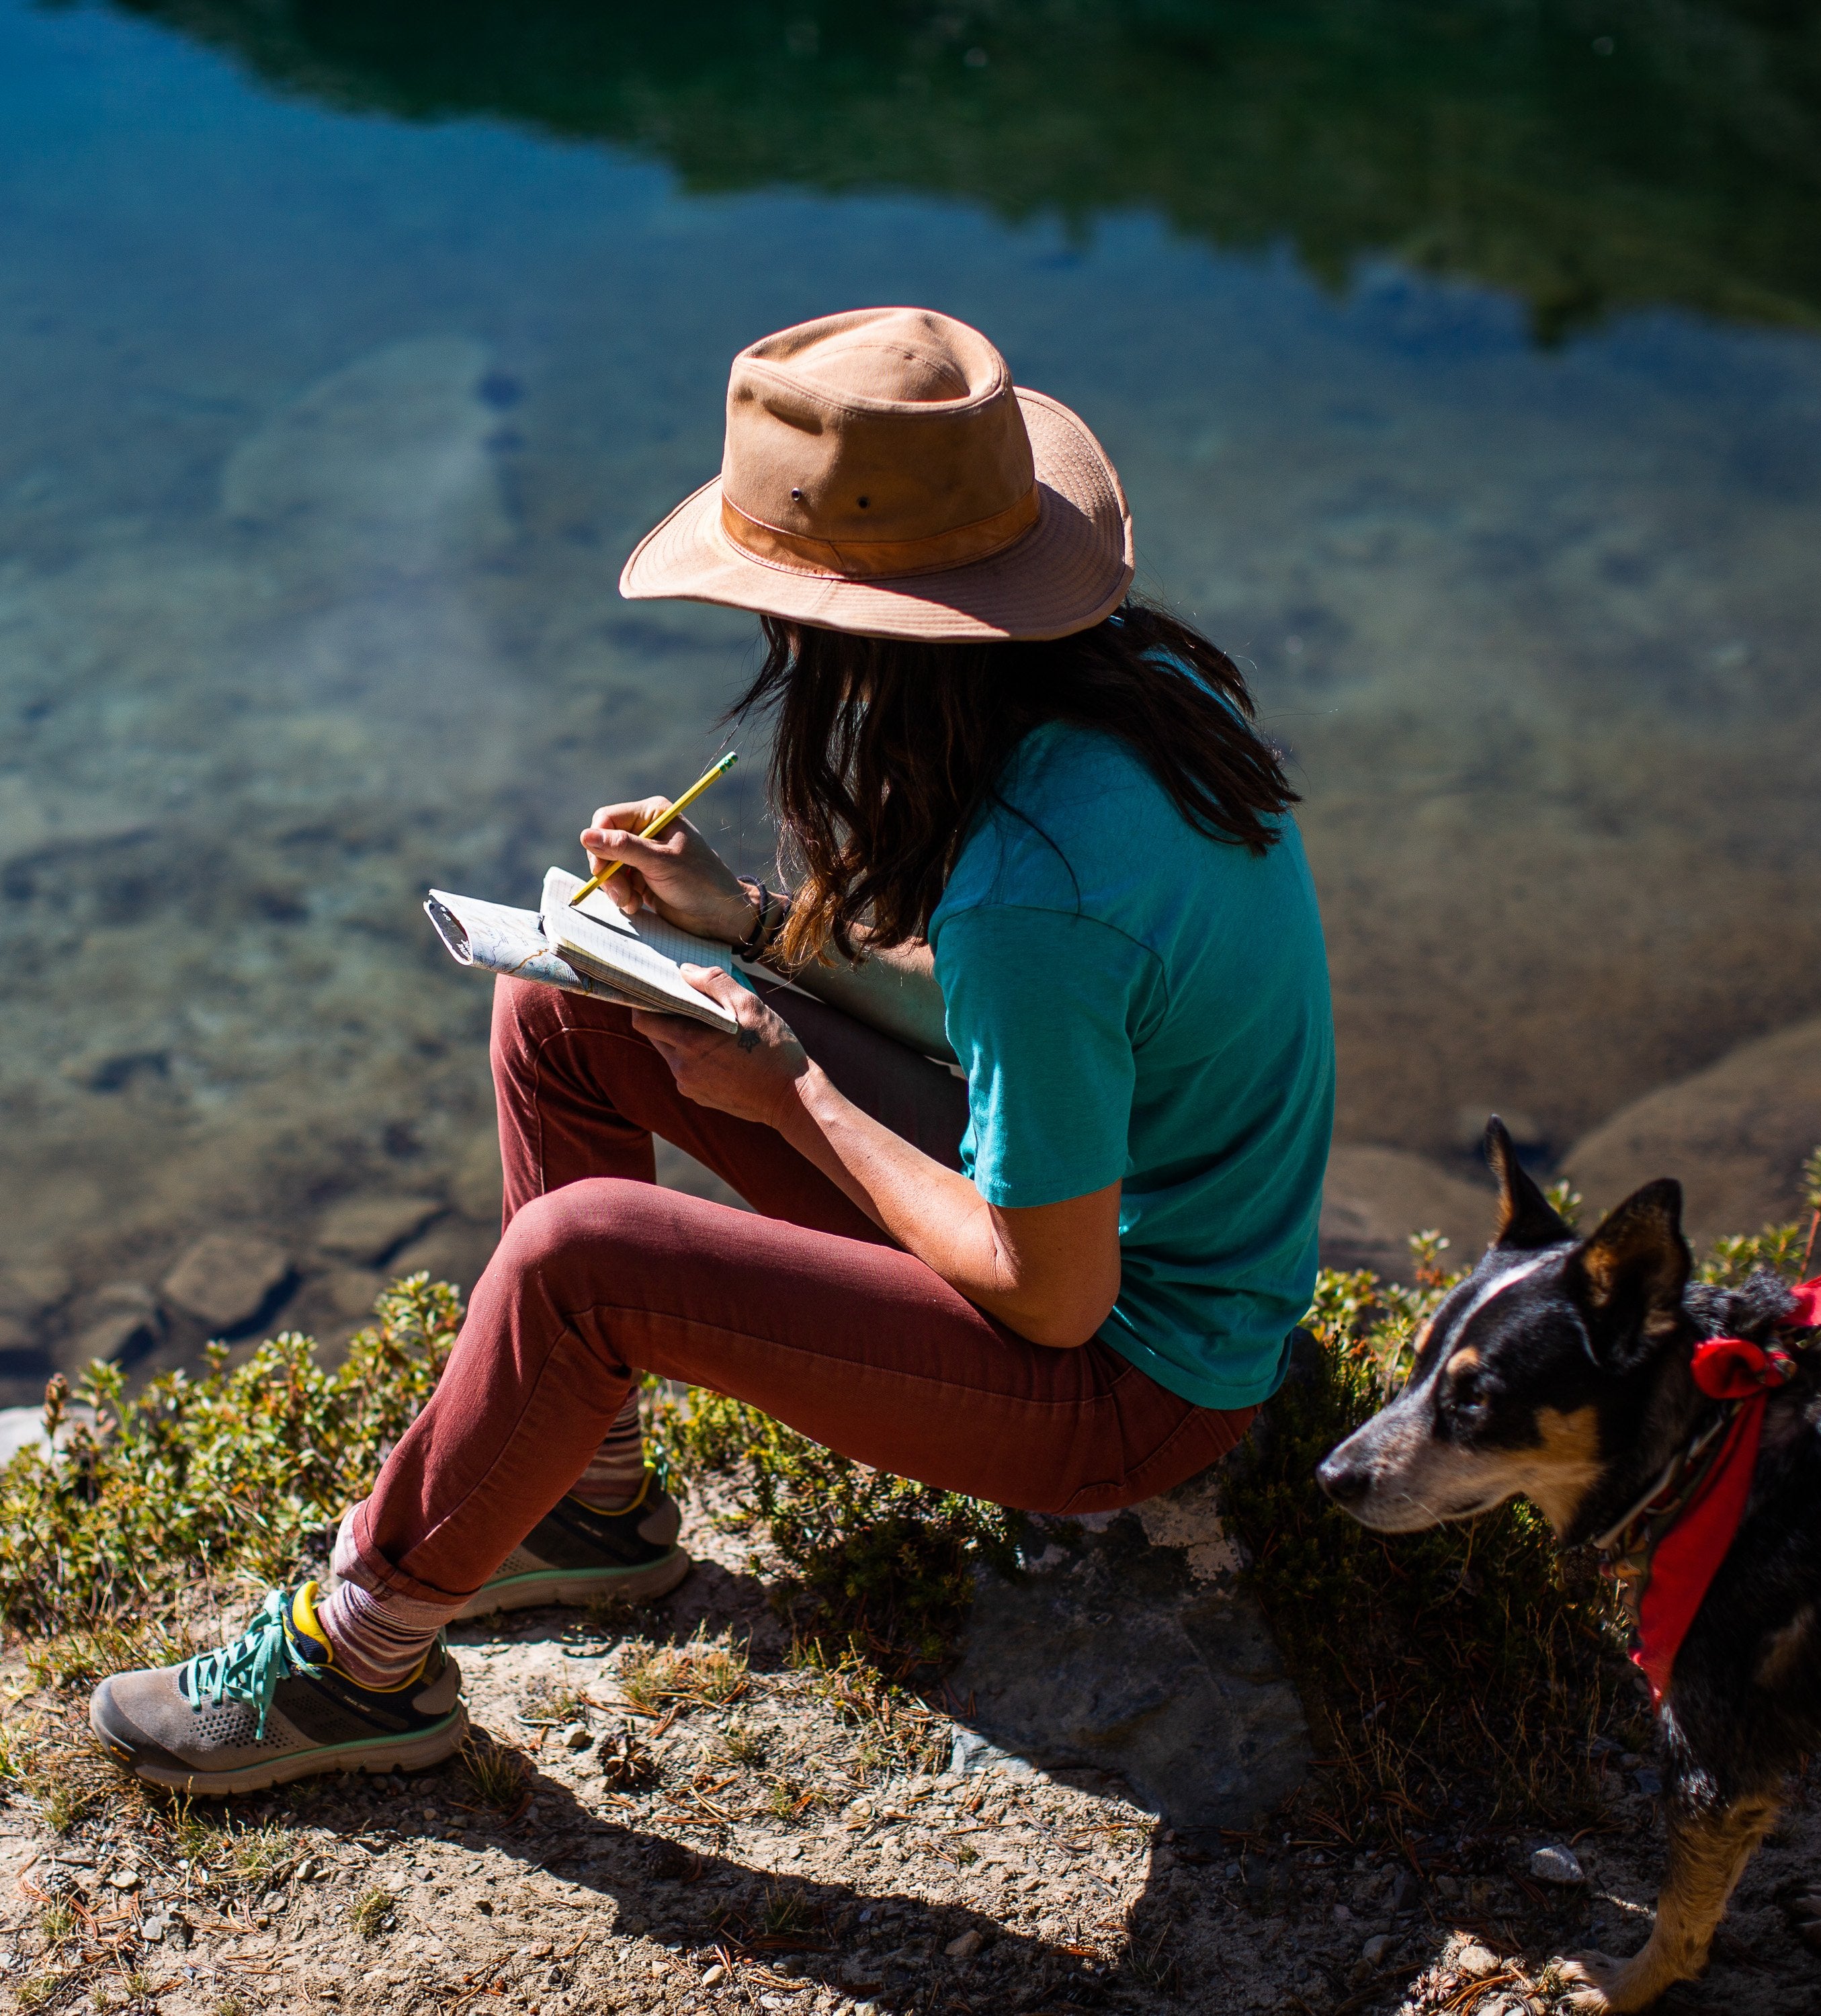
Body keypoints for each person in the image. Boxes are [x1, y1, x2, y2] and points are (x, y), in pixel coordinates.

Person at [89, 308, 1335, 1793]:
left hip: (1138, 1385)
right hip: (1110, 1223)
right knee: (568, 1004)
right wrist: (743, 924)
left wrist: (794, 1091)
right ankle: (588, 1502)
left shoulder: (1037, 890)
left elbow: (1053, 1297)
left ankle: (353, 1661)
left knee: (585, 1261)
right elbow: (1021, 1012)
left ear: (843, 631)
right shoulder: (1134, 700)